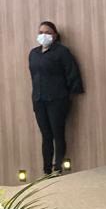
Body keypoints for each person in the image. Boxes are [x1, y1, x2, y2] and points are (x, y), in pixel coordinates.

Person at [29, 22, 84, 176]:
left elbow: (72, 72)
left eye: (47, 32)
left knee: (58, 134)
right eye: (41, 32)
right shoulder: (34, 53)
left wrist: (70, 93)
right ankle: (46, 170)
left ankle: (57, 167)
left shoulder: (62, 52)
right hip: (39, 99)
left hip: (57, 99)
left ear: (55, 35)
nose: (43, 35)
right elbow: (33, 76)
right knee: (46, 136)